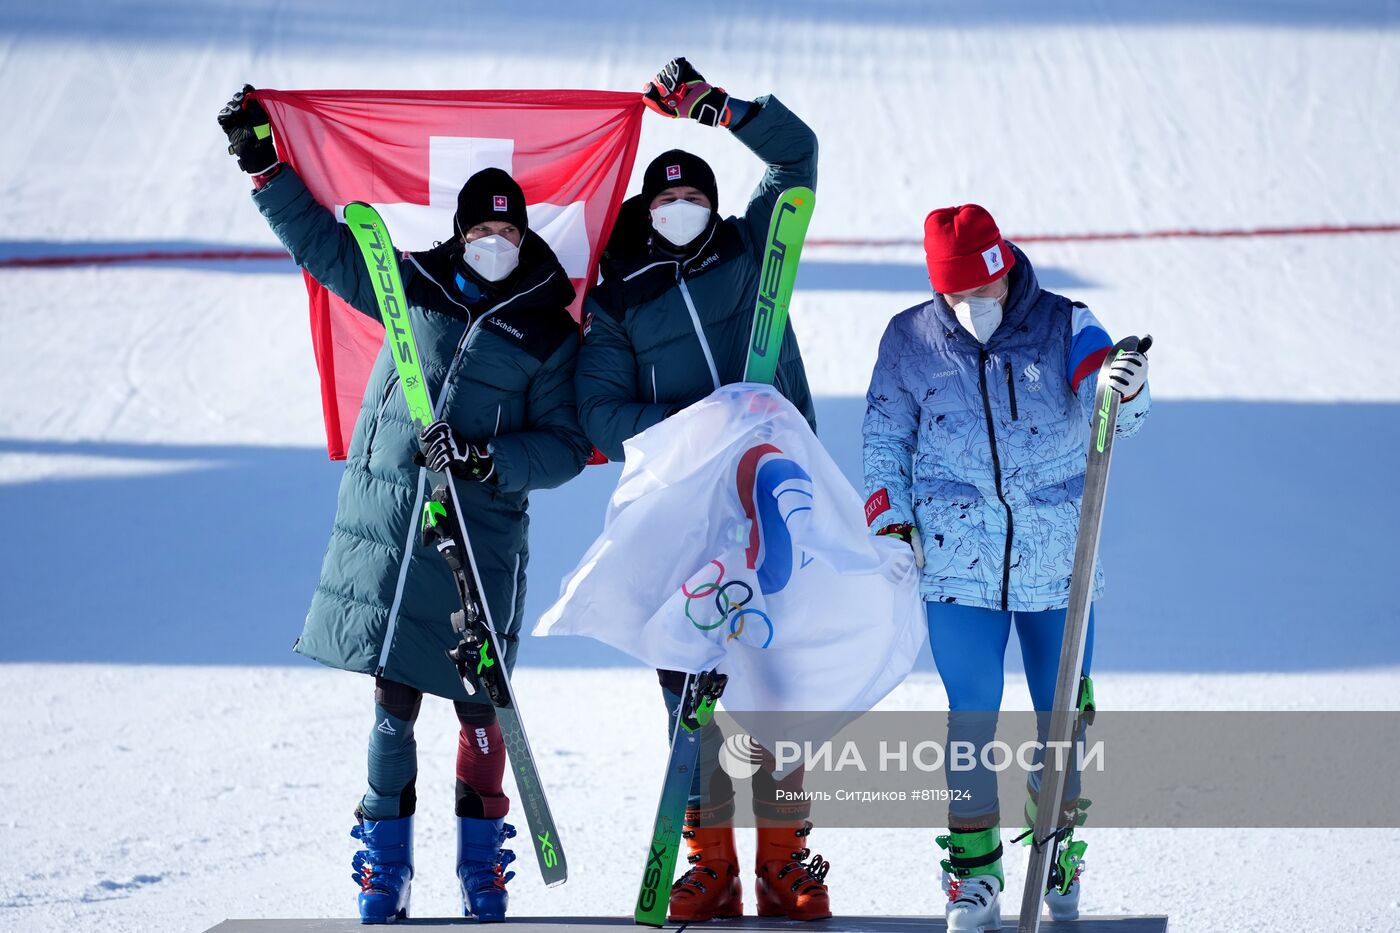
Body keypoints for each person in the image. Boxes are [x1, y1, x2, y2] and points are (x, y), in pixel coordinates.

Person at [218, 85, 591, 924]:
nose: (493, 241)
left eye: (507, 228)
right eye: (480, 228)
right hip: (396, 529)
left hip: (479, 536)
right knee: (392, 699)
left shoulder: (548, 331)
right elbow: (323, 245)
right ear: (460, 232)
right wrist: (264, 166)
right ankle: (384, 865)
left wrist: (486, 458)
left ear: (524, 233)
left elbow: (566, 445)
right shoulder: (407, 285)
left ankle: (481, 865)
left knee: (479, 705)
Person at [574, 59, 829, 922]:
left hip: (771, 498)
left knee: (777, 684)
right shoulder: (619, 298)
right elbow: (599, 413)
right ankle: (710, 863)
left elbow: (797, 160)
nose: (679, 213)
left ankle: (786, 861)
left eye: (692, 199)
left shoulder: (750, 251)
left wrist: (717, 109)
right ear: (647, 212)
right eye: (664, 203)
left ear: (710, 207)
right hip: (679, 515)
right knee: (694, 691)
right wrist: (704, 419)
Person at [861, 204, 1150, 931]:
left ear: (1005, 272)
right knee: (970, 721)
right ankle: (974, 874)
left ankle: (1058, 845)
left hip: (1059, 565)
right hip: (960, 566)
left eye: (984, 294)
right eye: (956, 297)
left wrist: (1126, 384)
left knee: (1063, 721)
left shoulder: (1065, 321)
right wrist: (890, 521)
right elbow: (883, 437)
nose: (973, 309)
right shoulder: (909, 339)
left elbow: (1111, 399)